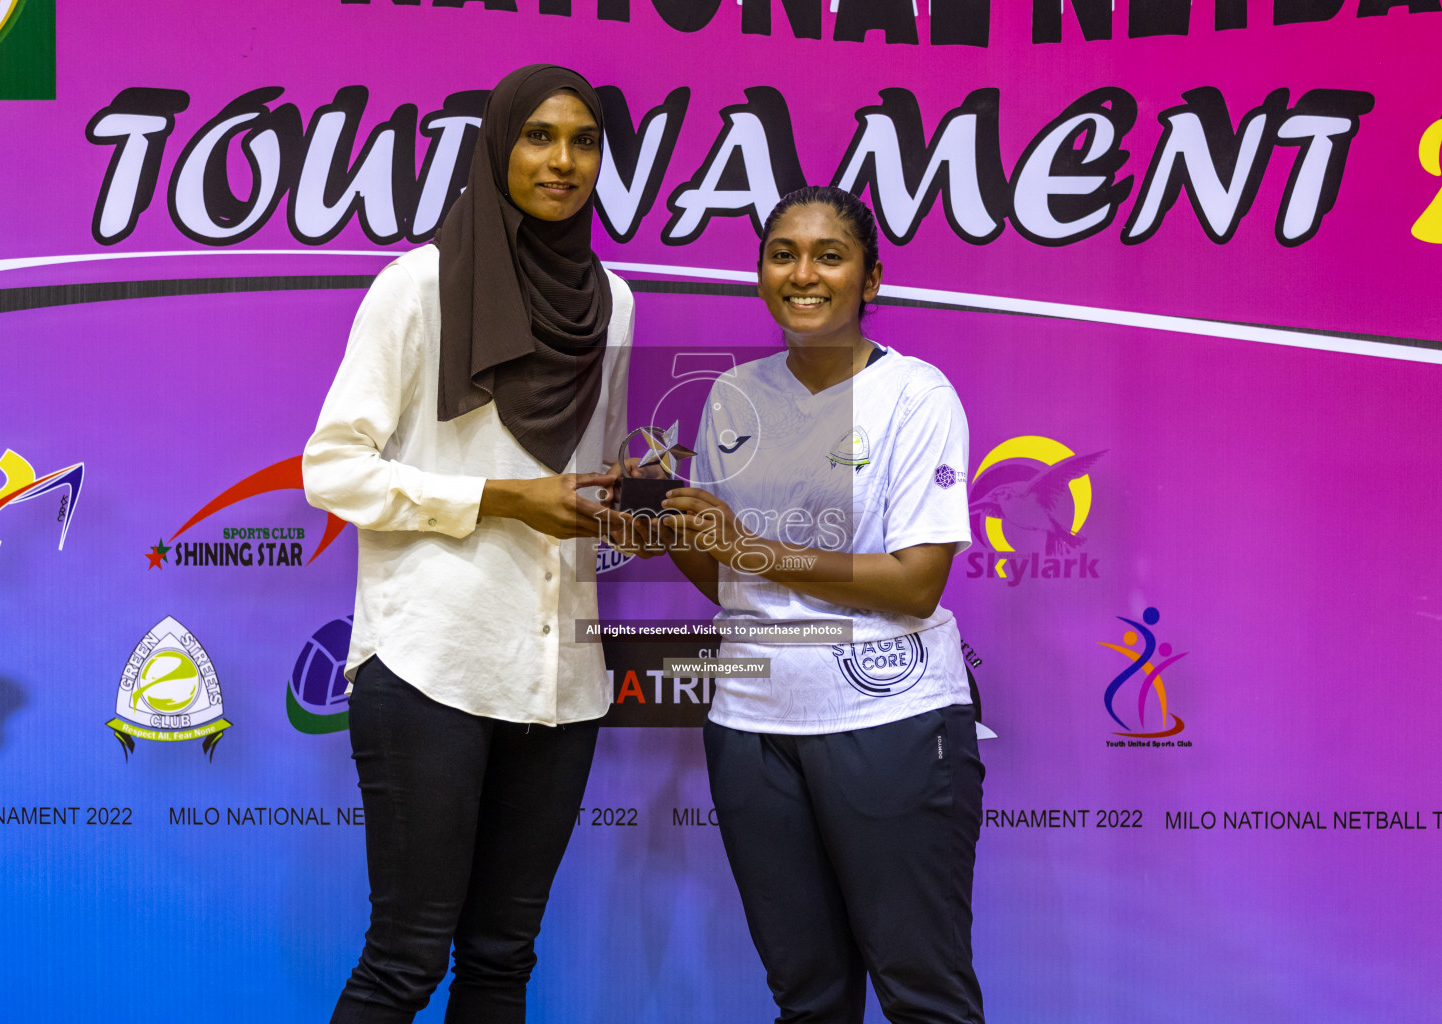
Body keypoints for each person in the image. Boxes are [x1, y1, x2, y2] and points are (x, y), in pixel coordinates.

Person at [302, 64, 637, 1024]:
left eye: (583, 140)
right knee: (405, 961)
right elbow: (333, 469)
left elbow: (586, 471)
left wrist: (634, 505)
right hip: (431, 663)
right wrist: (497, 498)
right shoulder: (419, 285)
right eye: (538, 137)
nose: (562, 160)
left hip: (561, 681)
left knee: (502, 960)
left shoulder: (612, 300)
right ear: (497, 146)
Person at [663, 186, 986, 1024]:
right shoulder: (734, 395)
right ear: (761, 272)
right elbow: (732, 581)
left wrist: (752, 549)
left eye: (829, 256)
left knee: (924, 996)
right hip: (751, 722)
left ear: (870, 281)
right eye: (782, 254)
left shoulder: (917, 394)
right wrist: (672, 531)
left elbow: (917, 582)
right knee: (807, 1000)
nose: (803, 274)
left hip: (890, 719)